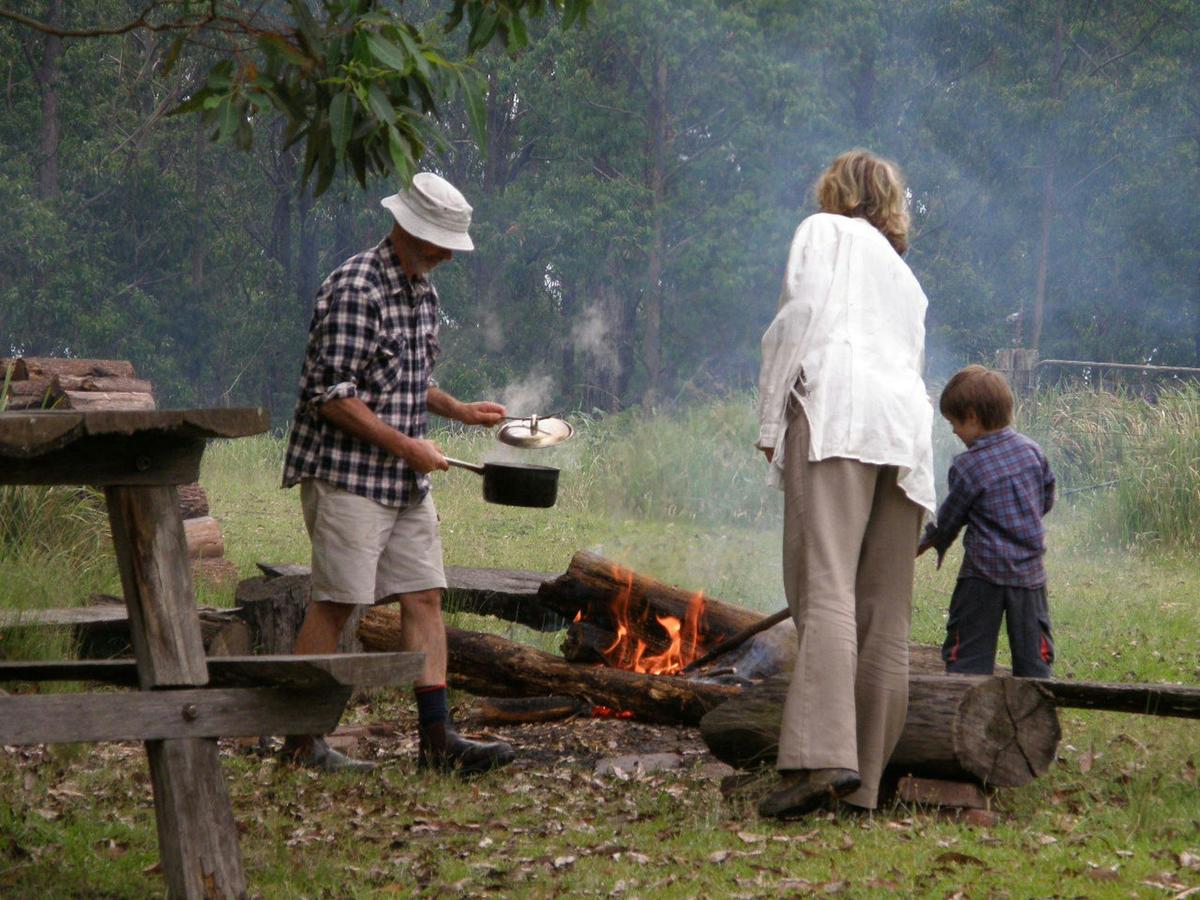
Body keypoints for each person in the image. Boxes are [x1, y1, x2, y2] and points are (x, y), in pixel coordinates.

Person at [280, 172, 516, 775]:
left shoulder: (425, 295)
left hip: (404, 481)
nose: (441, 256)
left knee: (426, 597)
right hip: (349, 476)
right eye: (436, 242)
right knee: (337, 602)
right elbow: (331, 395)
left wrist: (458, 410)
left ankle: (436, 743)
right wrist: (407, 446)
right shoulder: (357, 288)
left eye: (447, 247)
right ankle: (300, 741)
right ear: (406, 227)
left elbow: (406, 381)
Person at [755, 149, 935, 819]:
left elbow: (796, 321)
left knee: (826, 584)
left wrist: (771, 415)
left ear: (836, 191)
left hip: (837, 409)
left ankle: (821, 760)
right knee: (885, 611)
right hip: (905, 429)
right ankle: (865, 789)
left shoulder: (821, 231)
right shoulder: (904, 277)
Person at [917, 365, 1056, 677]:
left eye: (954, 423)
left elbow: (951, 518)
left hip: (983, 575)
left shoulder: (967, 465)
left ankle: (960, 703)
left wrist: (928, 540)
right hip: (1029, 575)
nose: (953, 431)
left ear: (972, 417)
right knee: (1035, 655)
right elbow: (1047, 495)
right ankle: (1037, 700)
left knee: (967, 653)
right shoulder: (1033, 452)